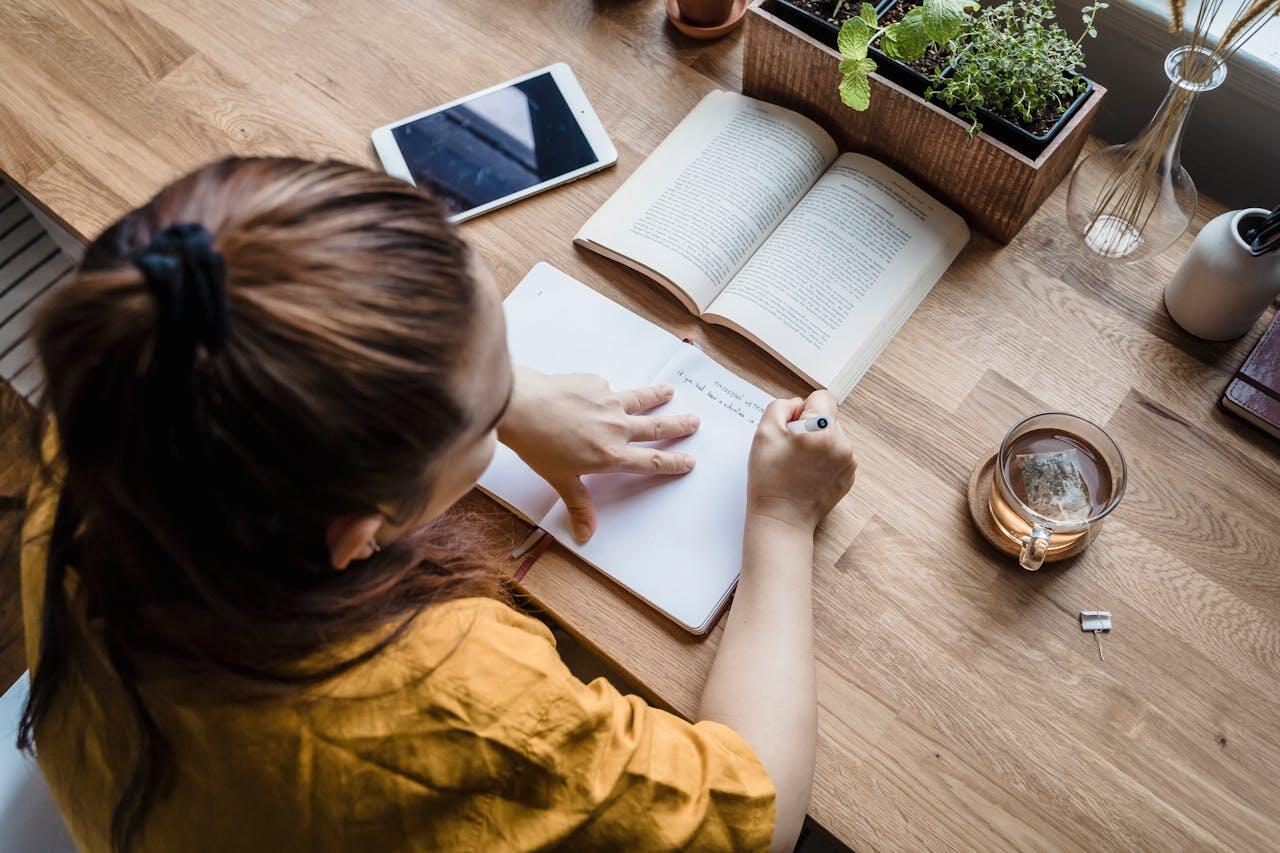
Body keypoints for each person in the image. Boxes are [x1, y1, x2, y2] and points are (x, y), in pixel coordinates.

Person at [18, 157, 856, 852]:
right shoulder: (456, 705)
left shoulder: (120, 413)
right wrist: (781, 519)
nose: (511, 400)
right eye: (489, 417)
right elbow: (757, 817)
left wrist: (484, 392)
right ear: (358, 532)